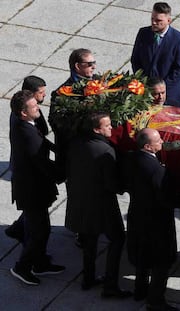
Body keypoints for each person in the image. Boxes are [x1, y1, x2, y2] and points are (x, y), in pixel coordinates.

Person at [65, 112, 131, 298]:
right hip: (102, 204)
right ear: (96, 129)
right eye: (107, 125)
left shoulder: (76, 143)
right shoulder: (105, 150)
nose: (111, 128)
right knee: (117, 239)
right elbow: (111, 184)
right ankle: (110, 286)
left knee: (89, 241)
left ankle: (88, 278)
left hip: (80, 200)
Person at [9, 90, 64, 286]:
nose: (38, 107)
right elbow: (42, 162)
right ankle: (22, 267)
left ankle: (39, 263)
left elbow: (41, 140)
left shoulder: (24, 124)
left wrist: (57, 150)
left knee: (41, 228)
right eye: (34, 107)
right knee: (38, 231)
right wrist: (63, 173)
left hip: (32, 188)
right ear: (24, 113)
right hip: (32, 191)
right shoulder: (27, 133)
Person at [126, 128, 178, 311]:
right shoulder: (156, 170)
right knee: (160, 262)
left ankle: (140, 290)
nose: (162, 141)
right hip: (156, 222)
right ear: (148, 146)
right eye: (158, 140)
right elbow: (165, 197)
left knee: (142, 256)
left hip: (137, 215)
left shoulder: (131, 159)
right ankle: (156, 301)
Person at [5, 75, 50, 243]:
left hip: (25, 167)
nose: (44, 96)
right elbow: (43, 131)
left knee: (33, 212)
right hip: (27, 172)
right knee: (35, 216)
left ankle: (17, 229)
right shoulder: (25, 120)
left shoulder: (22, 112)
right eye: (41, 93)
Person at [49, 48, 98, 179]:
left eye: (94, 63)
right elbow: (54, 122)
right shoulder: (62, 93)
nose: (93, 67)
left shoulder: (98, 82)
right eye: (89, 64)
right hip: (76, 151)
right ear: (77, 66)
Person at [131, 2, 180, 108]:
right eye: (152, 19)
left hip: (172, 95)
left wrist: (160, 88)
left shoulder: (179, 40)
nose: (154, 22)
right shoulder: (143, 33)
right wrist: (145, 83)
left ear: (168, 21)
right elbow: (135, 60)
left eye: (158, 20)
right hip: (147, 94)